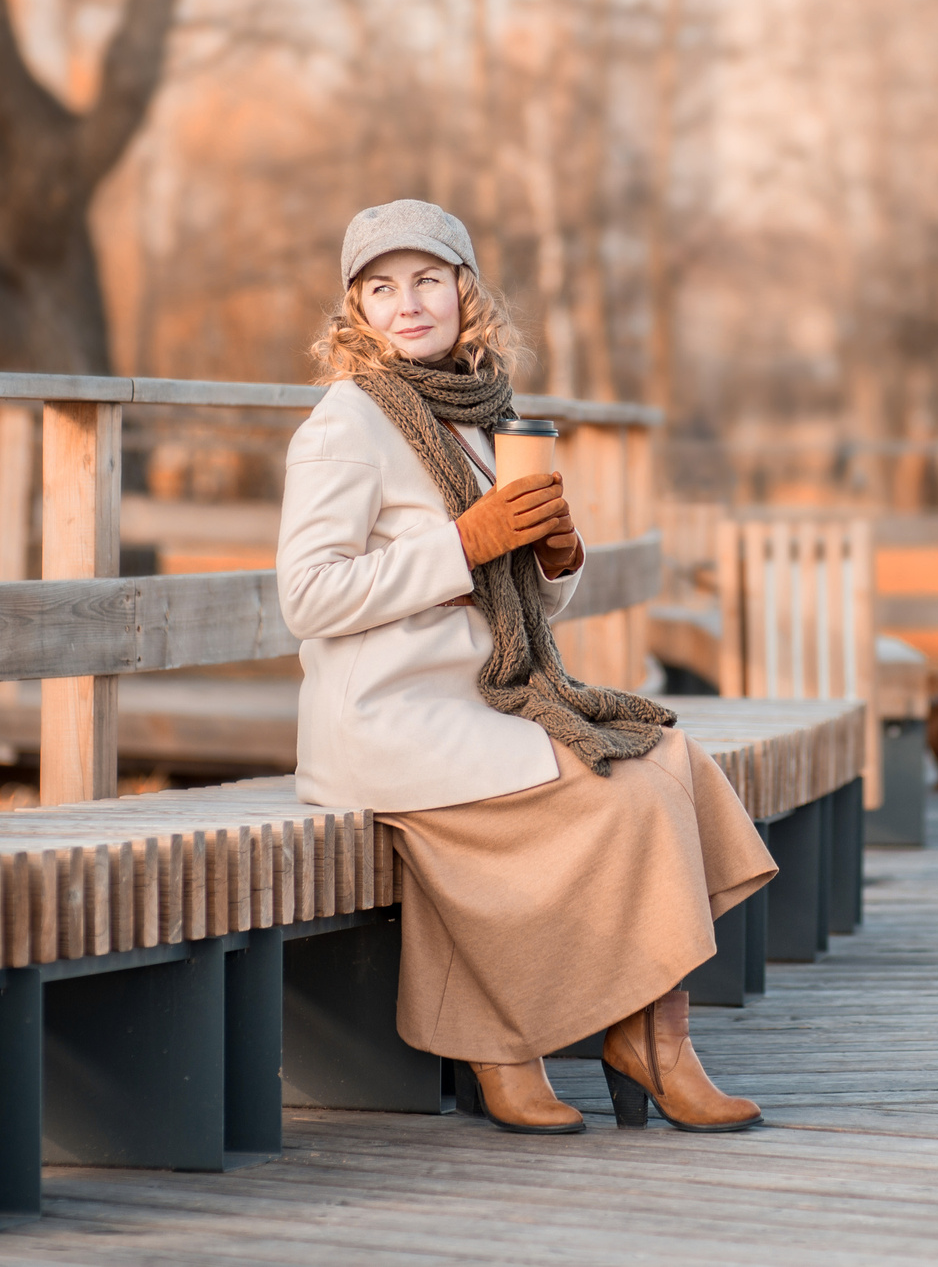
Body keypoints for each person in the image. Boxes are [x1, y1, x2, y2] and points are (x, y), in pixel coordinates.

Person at [279, 199, 777, 1133]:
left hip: (481, 700)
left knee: (670, 758)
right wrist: (464, 542)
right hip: (389, 716)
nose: (407, 304)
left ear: (464, 291)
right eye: (380, 289)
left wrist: (556, 559)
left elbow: (518, 601)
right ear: (357, 309)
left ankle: (568, 1041)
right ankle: (642, 1046)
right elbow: (307, 596)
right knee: (625, 793)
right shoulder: (348, 422)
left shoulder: (485, 414)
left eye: (427, 280)